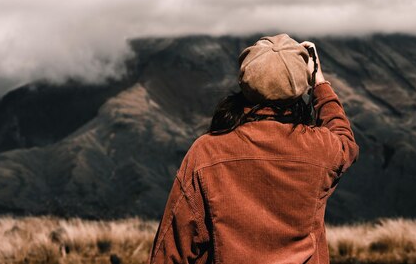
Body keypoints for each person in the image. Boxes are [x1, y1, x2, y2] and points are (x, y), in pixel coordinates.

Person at [147, 33, 359, 264]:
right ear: (299, 89)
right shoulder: (319, 148)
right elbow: (344, 138)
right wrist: (318, 81)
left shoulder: (206, 152)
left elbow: (171, 250)